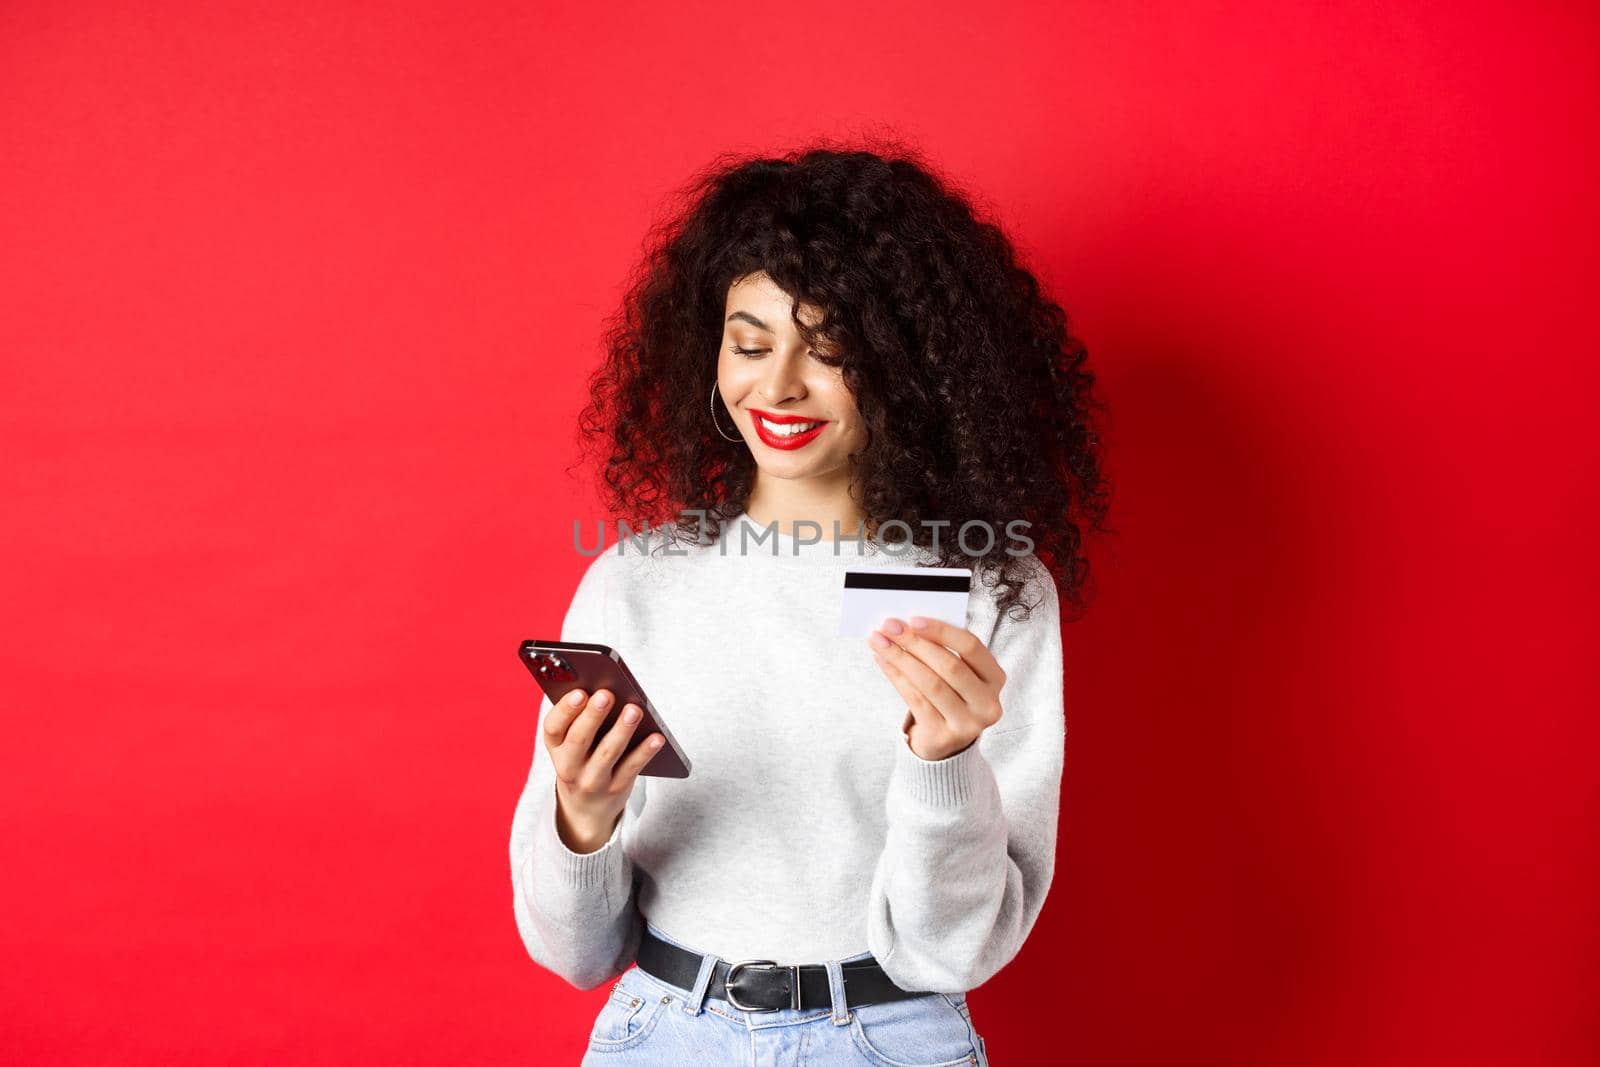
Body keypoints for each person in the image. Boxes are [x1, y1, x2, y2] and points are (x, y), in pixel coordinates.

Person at [509, 142, 1111, 1066]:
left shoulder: (991, 589)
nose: (778, 384)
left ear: (906, 368)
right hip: (662, 1034)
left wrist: (942, 762)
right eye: (750, 343)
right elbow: (574, 952)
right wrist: (580, 815)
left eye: (828, 349)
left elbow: (950, 950)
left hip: (889, 1036)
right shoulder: (633, 582)